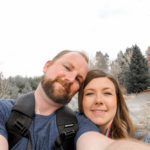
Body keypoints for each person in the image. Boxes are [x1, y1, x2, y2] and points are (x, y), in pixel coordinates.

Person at [0, 50, 150, 150]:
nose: (71, 79)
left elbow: (102, 146)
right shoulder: (4, 111)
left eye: (78, 79)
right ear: (47, 66)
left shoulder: (77, 122)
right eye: (67, 67)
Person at [78, 69, 150, 142]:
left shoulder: (142, 140)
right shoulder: (68, 140)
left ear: (118, 100)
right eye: (90, 93)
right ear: (81, 101)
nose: (98, 100)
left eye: (107, 93)